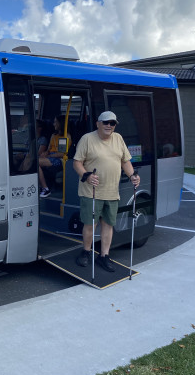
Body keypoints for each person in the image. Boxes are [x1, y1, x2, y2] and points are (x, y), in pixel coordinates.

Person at [72, 111, 140, 272]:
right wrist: (86, 175)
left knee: (108, 225)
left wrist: (132, 175)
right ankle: (86, 252)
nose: (109, 125)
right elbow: (76, 163)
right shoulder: (87, 139)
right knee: (90, 224)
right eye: (106, 122)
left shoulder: (118, 138)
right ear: (98, 123)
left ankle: (104, 256)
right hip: (91, 191)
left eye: (112, 123)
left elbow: (126, 161)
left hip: (111, 192)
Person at [39, 115, 71, 198]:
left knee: (35, 163)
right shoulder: (53, 135)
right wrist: (45, 153)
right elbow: (49, 149)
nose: (54, 124)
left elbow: (61, 153)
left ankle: (45, 188)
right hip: (50, 157)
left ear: (61, 124)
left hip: (59, 160)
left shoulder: (65, 137)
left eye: (55, 122)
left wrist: (48, 156)